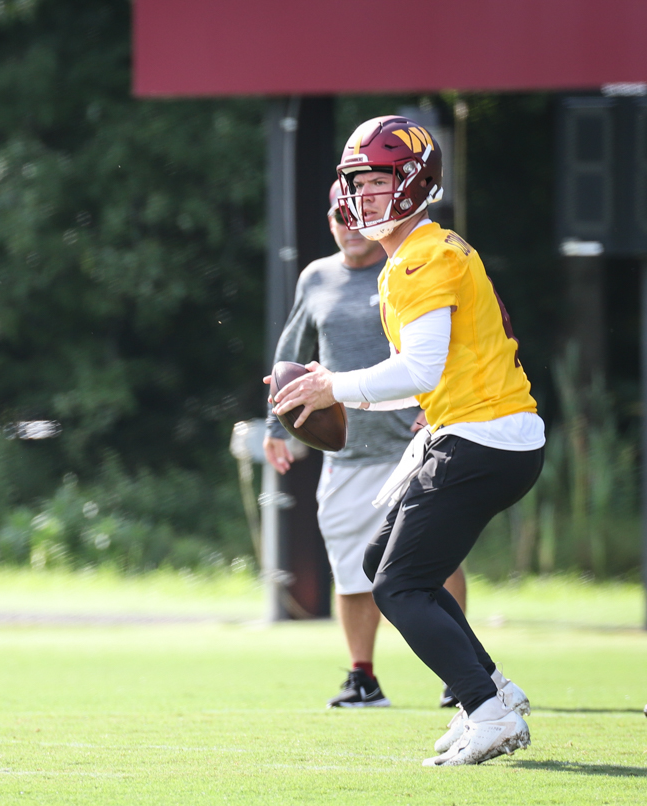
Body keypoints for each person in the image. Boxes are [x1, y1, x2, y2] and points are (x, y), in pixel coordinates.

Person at [271, 115, 545, 766]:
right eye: (357, 183)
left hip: (482, 437)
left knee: (399, 586)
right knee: (380, 563)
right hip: (482, 434)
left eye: (378, 181)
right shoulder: (415, 256)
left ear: (417, 183)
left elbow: (418, 371)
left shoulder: (422, 256)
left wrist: (334, 385)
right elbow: (422, 378)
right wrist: (331, 389)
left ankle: (487, 710)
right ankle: (494, 691)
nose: (363, 195)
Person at [263, 181, 467, 710]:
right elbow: (290, 352)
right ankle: (363, 679)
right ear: (330, 220)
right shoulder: (316, 277)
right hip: (347, 453)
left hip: (413, 444)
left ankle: (460, 674)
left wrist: (439, 401)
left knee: (440, 559)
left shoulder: (408, 265)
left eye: (357, 215)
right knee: (350, 568)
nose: (349, 225)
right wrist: (275, 425)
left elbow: (446, 346)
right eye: (340, 215)